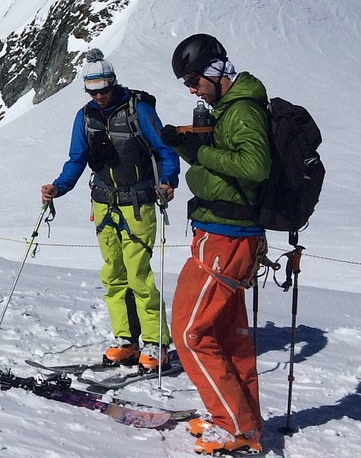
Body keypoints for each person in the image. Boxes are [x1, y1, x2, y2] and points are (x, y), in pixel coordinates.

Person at [162, 34, 270, 455]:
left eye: (192, 78)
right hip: (224, 233)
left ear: (213, 69)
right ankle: (242, 419)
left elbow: (254, 166)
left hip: (227, 237)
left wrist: (202, 153)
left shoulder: (241, 109)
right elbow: (232, 166)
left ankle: (235, 426)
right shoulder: (229, 108)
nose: (190, 88)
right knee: (227, 338)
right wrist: (191, 147)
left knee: (189, 333)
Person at [41, 48, 179, 371]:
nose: (100, 96)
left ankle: (157, 343)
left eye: (104, 90)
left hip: (139, 204)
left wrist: (168, 181)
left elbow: (164, 151)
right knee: (113, 275)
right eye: (93, 92)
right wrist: (58, 188)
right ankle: (126, 341)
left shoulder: (138, 110)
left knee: (139, 276)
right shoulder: (84, 118)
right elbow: (76, 160)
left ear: (114, 83)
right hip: (103, 205)